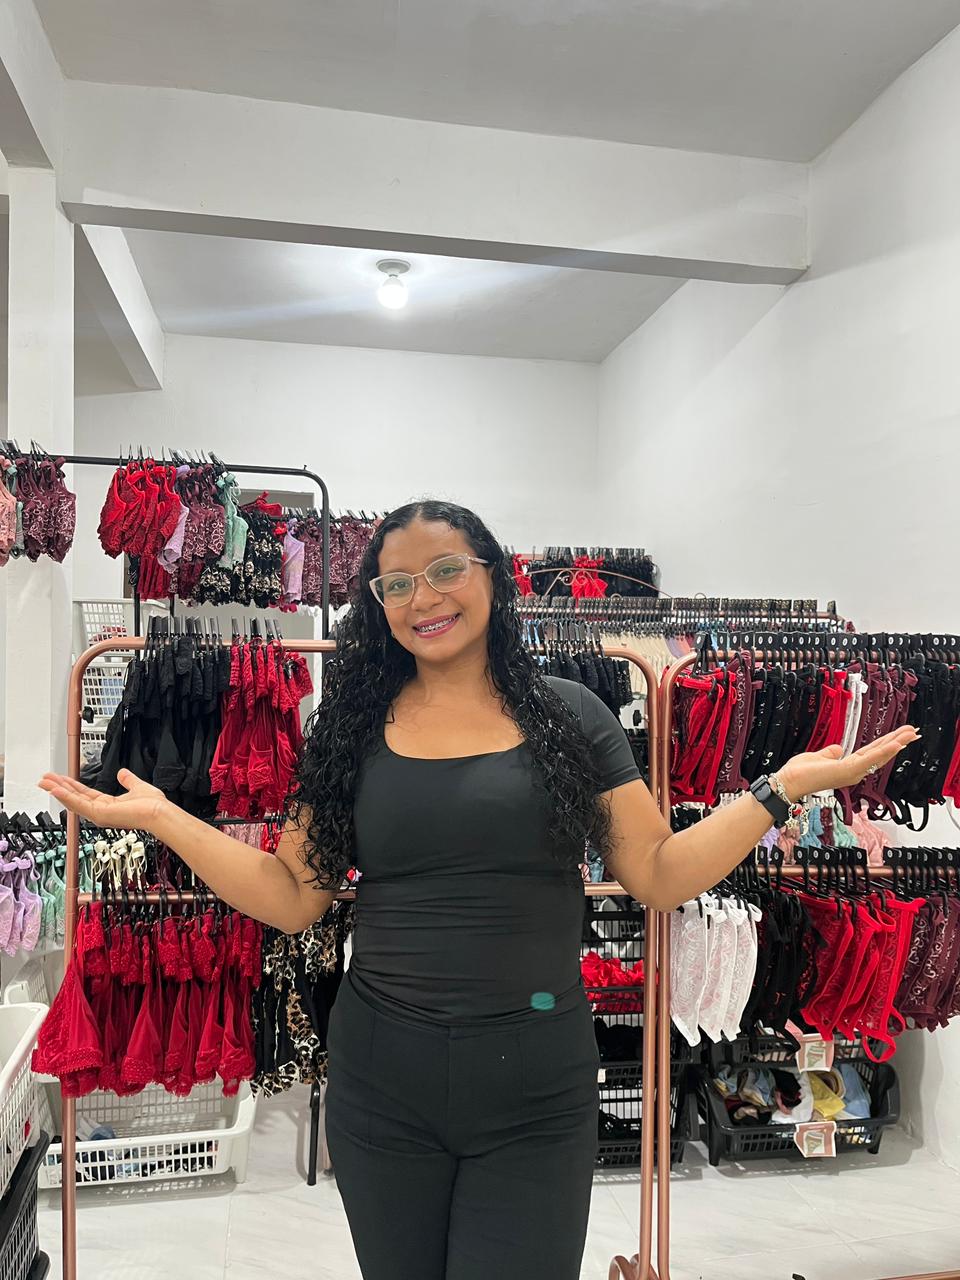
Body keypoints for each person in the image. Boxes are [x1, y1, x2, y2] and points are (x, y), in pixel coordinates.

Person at [40, 500, 916, 1280]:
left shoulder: (572, 714)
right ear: (376, 606)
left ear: (492, 575)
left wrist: (779, 790)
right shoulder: (350, 728)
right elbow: (290, 893)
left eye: (445, 570)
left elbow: (659, 873)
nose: (422, 597)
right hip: (382, 1078)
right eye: (395, 584)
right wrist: (166, 820)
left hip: (535, 1084)